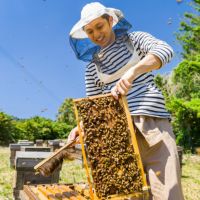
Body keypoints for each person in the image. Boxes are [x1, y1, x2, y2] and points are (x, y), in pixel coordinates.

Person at [68, 2, 184, 200]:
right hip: (118, 136)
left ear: (110, 21)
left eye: (99, 26)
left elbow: (165, 50)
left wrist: (133, 71)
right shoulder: (91, 69)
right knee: (127, 195)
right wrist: (81, 126)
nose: (96, 34)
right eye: (90, 31)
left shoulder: (135, 39)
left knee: (168, 194)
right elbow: (93, 108)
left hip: (152, 125)